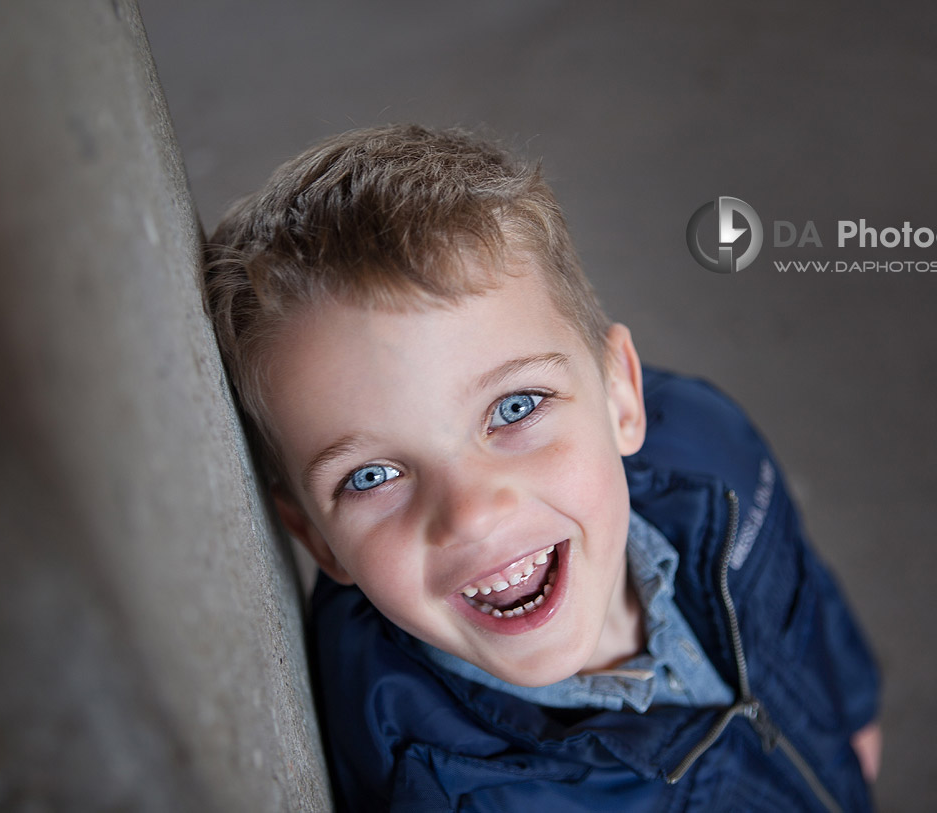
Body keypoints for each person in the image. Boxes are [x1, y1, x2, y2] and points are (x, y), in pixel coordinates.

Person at [202, 124, 881, 811]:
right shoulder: (434, 781)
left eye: (515, 406)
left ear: (620, 395)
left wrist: (852, 719)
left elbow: (804, 603)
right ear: (318, 539)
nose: (472, 511)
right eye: (373, 475)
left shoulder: (713, 449)